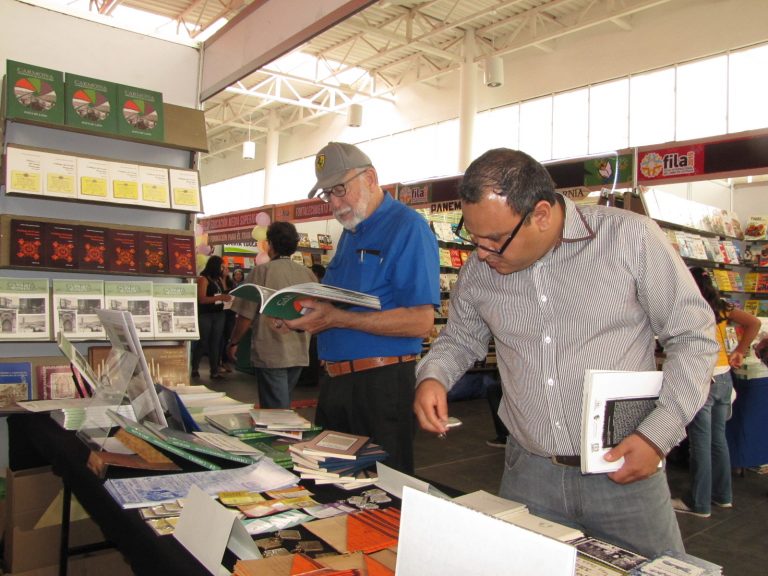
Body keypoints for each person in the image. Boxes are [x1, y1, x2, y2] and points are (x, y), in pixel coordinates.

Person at [413, 148, 719, 557]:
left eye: (495, 239)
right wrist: (433, 375)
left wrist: (658, 433)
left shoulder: (630, 239)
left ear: (541, 214)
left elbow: (693, 337)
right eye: (474, 237)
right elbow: (460, 339)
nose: (482, 252)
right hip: (529, 475)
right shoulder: (479, 272)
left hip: (624, 469)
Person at [278, 141, 440, 473]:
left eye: (341, 189)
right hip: (337, 385)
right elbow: (343, 304)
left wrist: (337, 318)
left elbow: (420, 321)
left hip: (380, 386)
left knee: (380, 495)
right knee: (330, 488)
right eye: (328, 195)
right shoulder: (350, 234)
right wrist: (299, 314)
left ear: (370, 177)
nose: (335, 203)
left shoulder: (408, 228)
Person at [671, 267, 760, 518]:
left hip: (704, 379)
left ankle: (698, 502)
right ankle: (723, 496)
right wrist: (740, 350)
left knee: (700, 444)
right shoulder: (721, 308)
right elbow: (752, 323)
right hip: (723, 379)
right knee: (717, 440)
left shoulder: (692, 308)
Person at [227, 222, 317, 409]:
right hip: (299, 349)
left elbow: (245, 315)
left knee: (276, 410)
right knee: (281, 402)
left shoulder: (261, 272)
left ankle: (283, 437)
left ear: (270, 244)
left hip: (271, 350)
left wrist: (234, 342)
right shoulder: (308, 274)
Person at [191, 255, 232, 380]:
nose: (223, 268)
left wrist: (224, 278)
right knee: (203, 342)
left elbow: (224, 291)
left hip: (219, 313)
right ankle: (195, 368)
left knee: (216, 342)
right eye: (221, 266)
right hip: (206, 314)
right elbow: (202, 299)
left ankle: (214, 370)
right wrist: (219, 298)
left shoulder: (217, 279)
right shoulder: (203, 279)